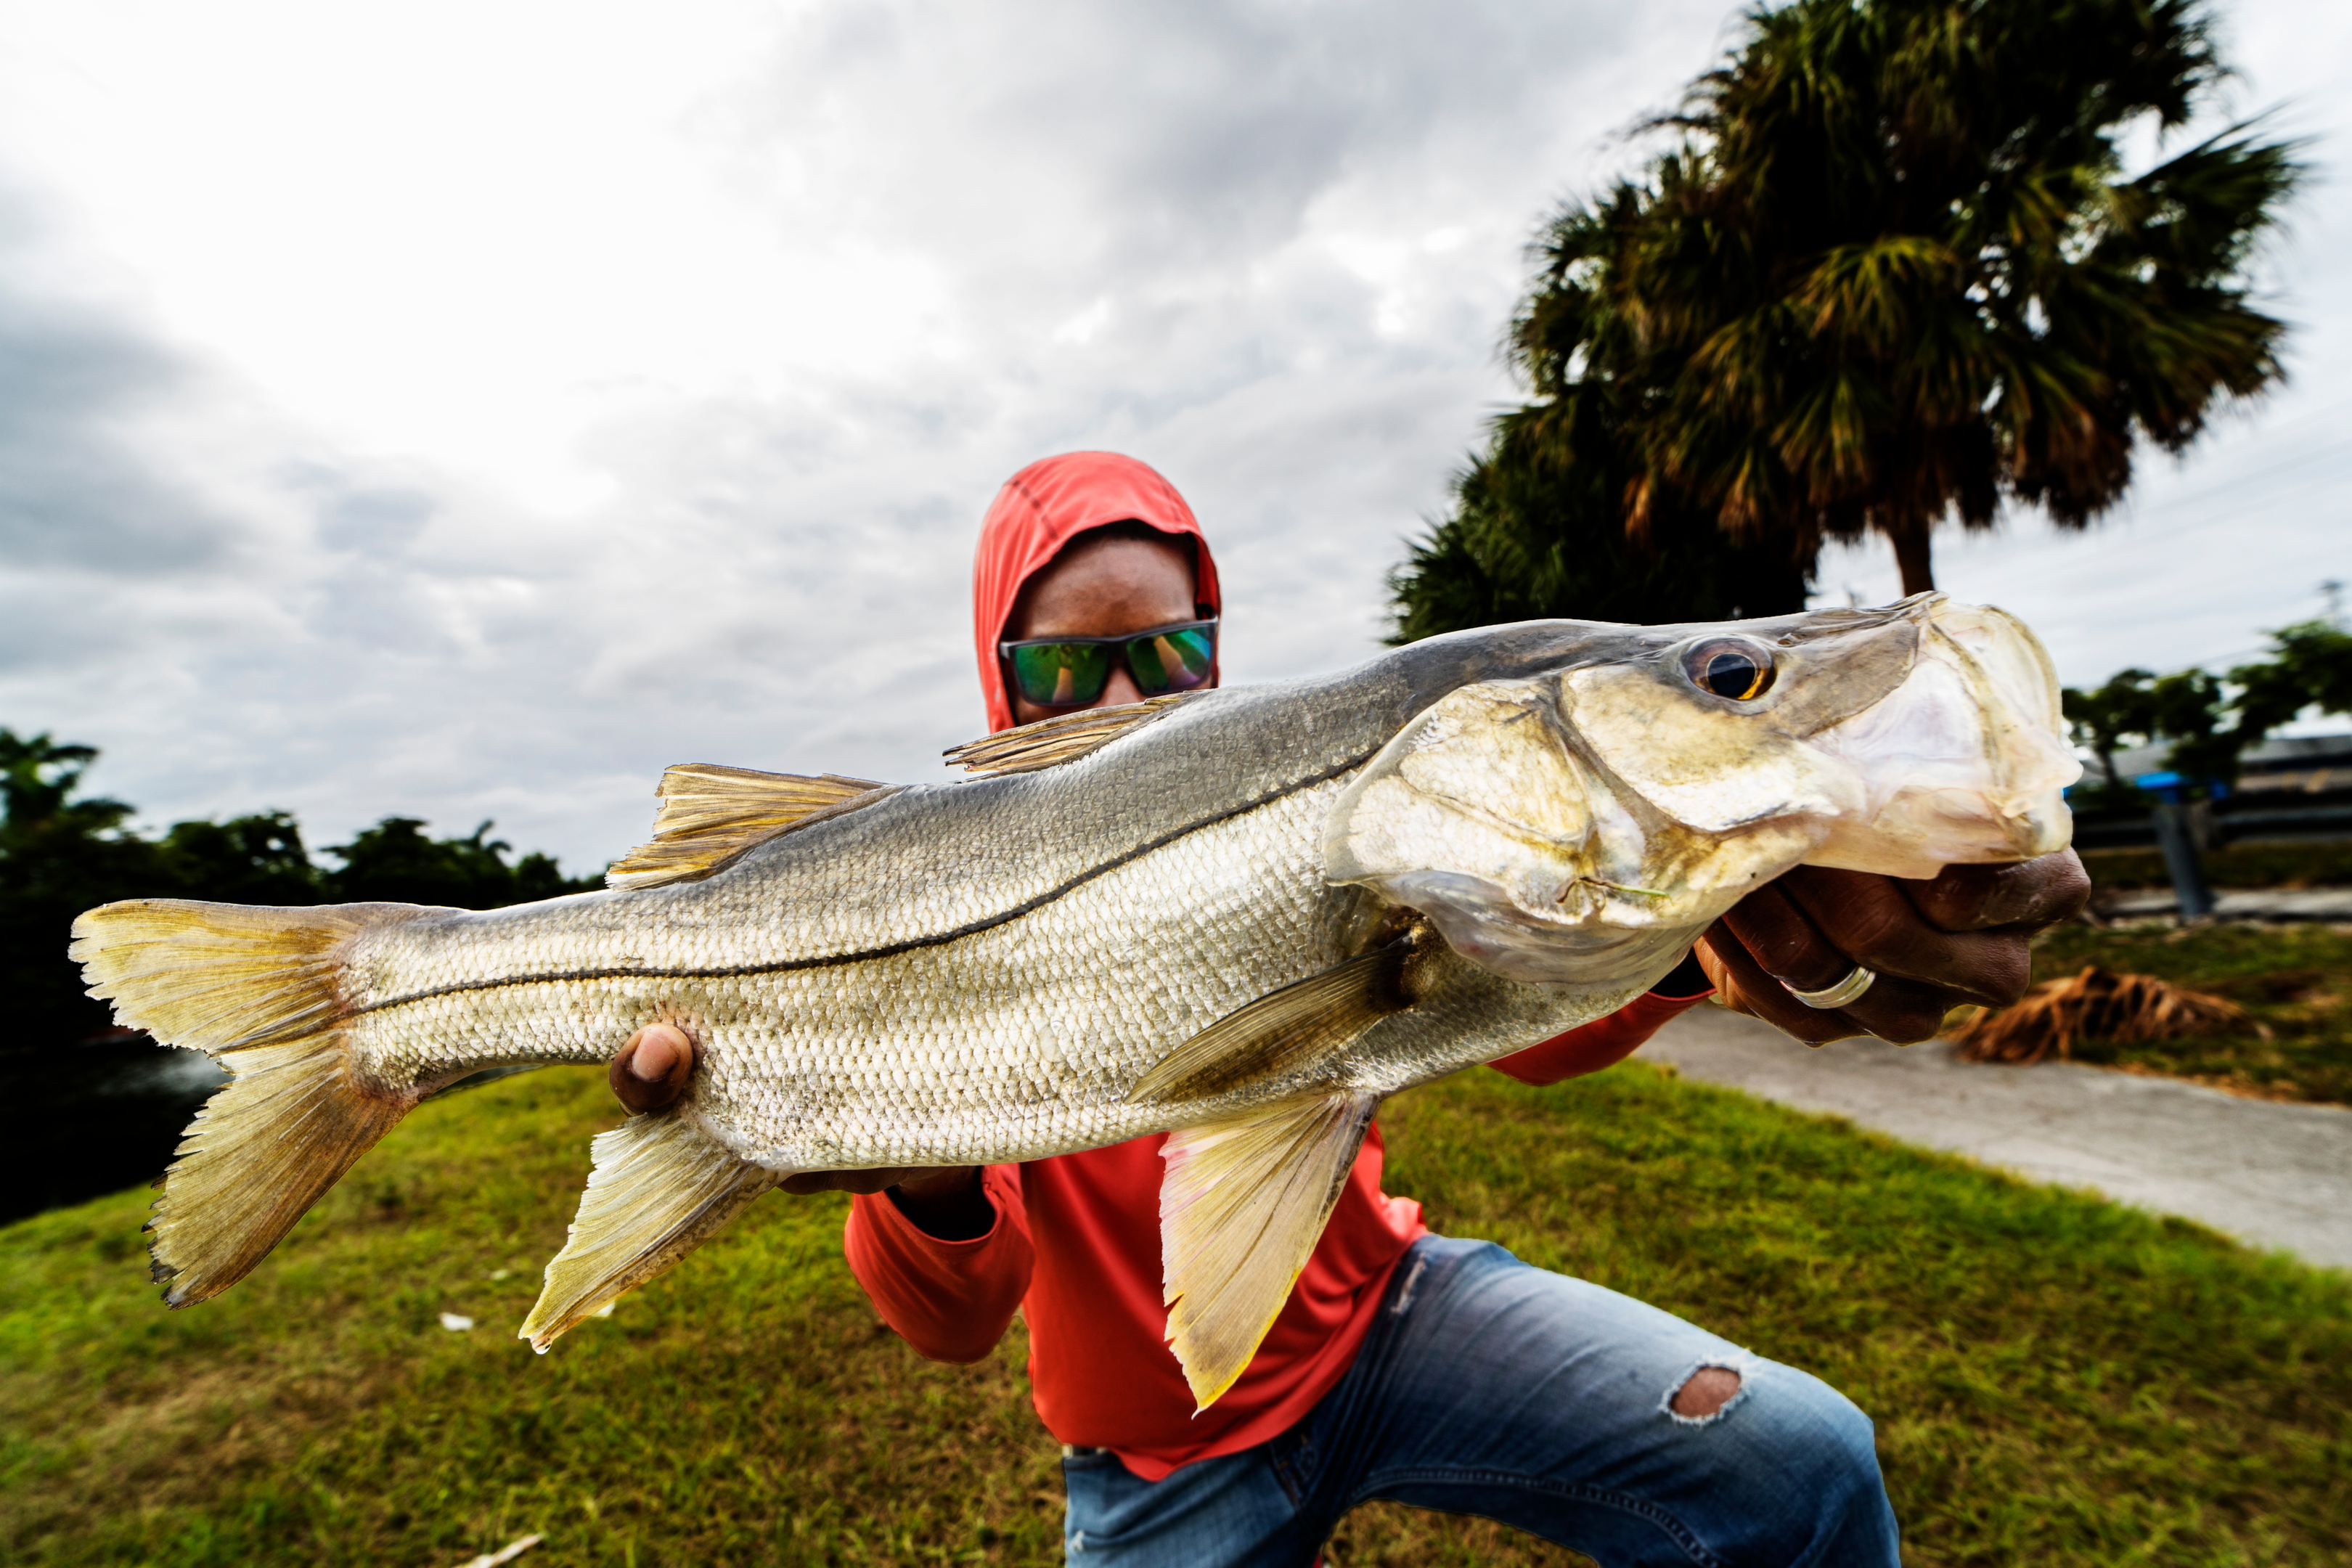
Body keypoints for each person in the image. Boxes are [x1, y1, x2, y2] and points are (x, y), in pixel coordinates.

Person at [611, 452, 2088, 1565]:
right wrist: (925, 1174)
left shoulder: (1348, 799)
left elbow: (1518, 995)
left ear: (1218, 646)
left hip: (1388, 1319)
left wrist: (1756, 942)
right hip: (1151, 1452)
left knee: (1805, 1466)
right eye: (1068, 664)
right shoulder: (924, 890)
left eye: (1173, 650)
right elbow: (952, 1323)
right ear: (996, 677)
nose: (1129, 689)